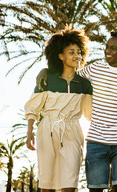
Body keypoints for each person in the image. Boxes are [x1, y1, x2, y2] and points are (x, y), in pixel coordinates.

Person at [36, 30, 117, 192]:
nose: (108, 52)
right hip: (96, 139)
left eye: (113, 49)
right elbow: (69, 74)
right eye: (107, 47)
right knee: (95, 189)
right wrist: (45, 70)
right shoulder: (94, 69)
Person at [25, 27, 93, 192]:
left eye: (79, 52)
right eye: (71, 52)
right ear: (60, 56)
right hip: (47, 128)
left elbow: (90, 113)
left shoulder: (85, 83)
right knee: (47, 182)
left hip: (72, 130)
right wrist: (29, 133)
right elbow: (33, 107)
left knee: (70, 181)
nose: (77, 56)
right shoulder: (47, 79)